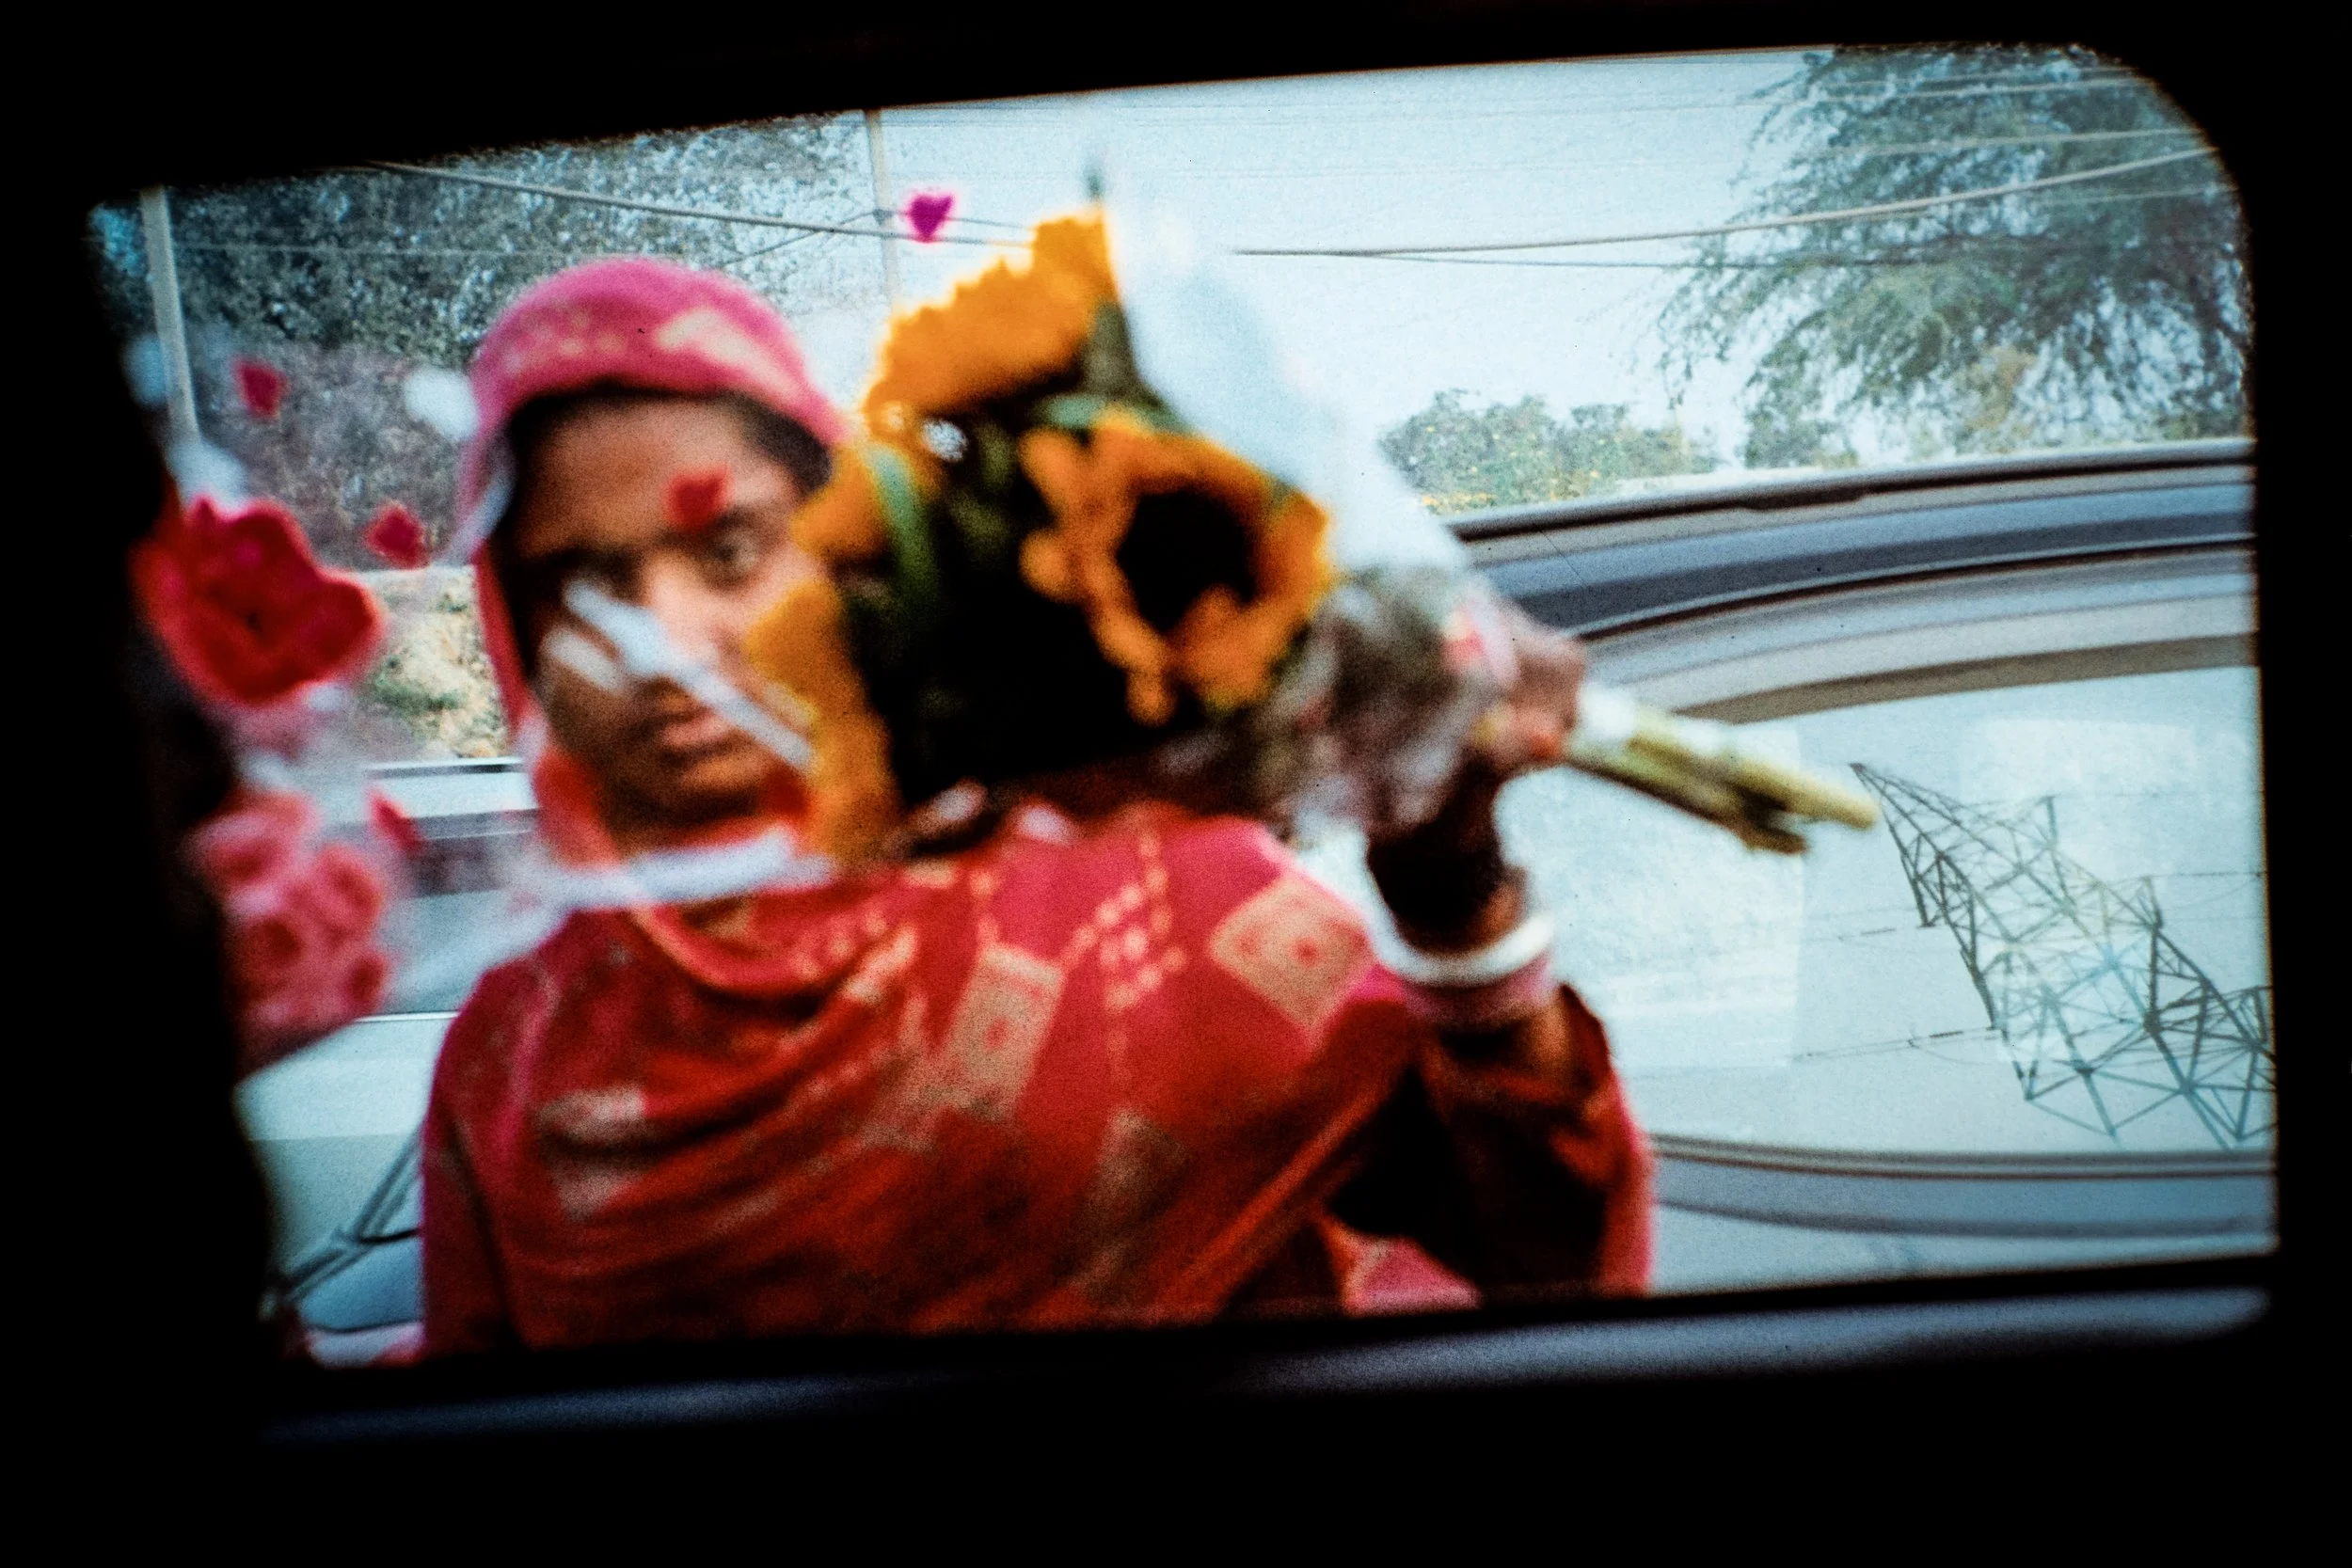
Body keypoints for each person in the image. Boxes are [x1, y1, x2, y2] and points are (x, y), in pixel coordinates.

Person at [421, 258, 1649, 1353]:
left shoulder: (1162, 905)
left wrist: (1452, 890)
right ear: (511, 620)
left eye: (730, 550)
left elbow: (1556, 1261)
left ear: (843, 540)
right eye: (578, 583)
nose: (662, 640)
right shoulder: (515, 1059)